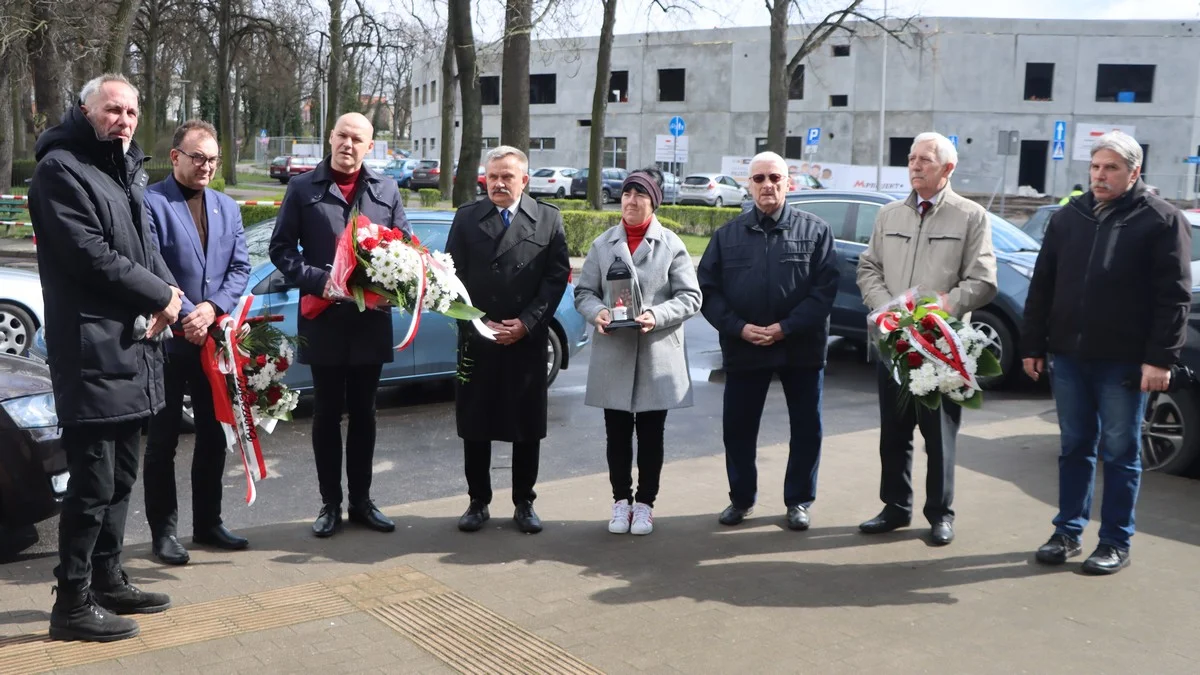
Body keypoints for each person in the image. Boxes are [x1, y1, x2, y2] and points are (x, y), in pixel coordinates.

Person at [29, 73, 180, 642]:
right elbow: (90, 257)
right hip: (90, 349)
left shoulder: (125, 169)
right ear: (84, 109)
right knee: (91, 484)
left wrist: (176, 299)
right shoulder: (59, 170)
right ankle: (71, 603)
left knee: (121, 477)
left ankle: (108, 578)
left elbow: (145, 250)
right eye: (112, 110)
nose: (123, 120)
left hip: (134, 347)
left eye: (132, 112)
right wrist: (160, 295)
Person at [1022, 131, 1191, 574]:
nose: (1100, 175)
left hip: (1123, 361)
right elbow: (1043, 285)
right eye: (1096, 167)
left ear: (1134, 172)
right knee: (1075, 446)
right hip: (1069, 357)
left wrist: (1160, 359)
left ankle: (1115, 540)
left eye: (1111, 168)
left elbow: (1173, 297)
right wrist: (1033, 344)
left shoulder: (1160, 219)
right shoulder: (1069, 217)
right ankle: (1067, 532)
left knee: (1119, 451)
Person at [269, 113, 410, 538]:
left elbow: (404, 244)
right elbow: (280, 249)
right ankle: (330, 504)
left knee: (365, 414)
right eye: (342, 136)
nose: (348, 145)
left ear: (371, 147)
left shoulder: (386, 189)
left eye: (358, 139)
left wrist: (391, 275)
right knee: (327, 414)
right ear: (330, 138)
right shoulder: (301, 187)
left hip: (371, 319)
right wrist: (320, 281)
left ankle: (362, 502)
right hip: (323, 316)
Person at [856, 131, 997, 546]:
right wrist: (887, 308)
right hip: (894, 344)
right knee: (893, 433)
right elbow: (868, 268)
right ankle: (895, 507)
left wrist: (943, 307)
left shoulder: (970, 216)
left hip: (941, 347)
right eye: (912, 158)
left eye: (925, 160)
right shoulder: (889, 215)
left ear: (947, 169)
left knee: (939, 437)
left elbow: (984, 280)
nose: (915, 166)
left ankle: (940, 514)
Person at [697, 151, 840, 530]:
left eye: (774, 177)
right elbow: (708, 292)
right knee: (738, 429)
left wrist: (785, 327)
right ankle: (741, 499)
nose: (767, 185)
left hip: (801, 347)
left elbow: (824, 292)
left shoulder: (815, 231)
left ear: (788, 182)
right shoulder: (727, 236)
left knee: (807, 428)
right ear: (748, 185)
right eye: (758, 178)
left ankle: (799, 501)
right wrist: (739, 328)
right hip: (745, 346)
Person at [445, 146, 570, 535]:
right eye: (493, 176)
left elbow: (555, 278)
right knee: (475, 423)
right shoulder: (467, 218)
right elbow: (450, 276)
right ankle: (477, 501)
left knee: (525, 425)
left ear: (525, 180)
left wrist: (528, 323)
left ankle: (524, 502)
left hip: (524, 340)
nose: (499, 183)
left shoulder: (548, 219)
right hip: (479, 338)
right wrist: (476, 323)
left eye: (507, 177)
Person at [143, 120, 251, 565]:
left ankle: (208, 522)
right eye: (198, 158)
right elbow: (151, 264)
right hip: (169, 343)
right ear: (176, 157)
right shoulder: (150, 202)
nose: (207, 166)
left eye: (213, 159)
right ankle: (163, 534)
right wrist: (190, 315)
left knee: (212, 435)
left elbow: (240, 269)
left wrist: (212, 308)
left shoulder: (228, 207)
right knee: (163, 442)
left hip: (213, 342)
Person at [574, 168, 702, 535]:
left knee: (650, 433)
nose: (631, 201)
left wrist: (656, 315)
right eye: (627, 194)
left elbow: (691, 298)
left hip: (656, 353)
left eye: (639, 195)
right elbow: (584, 292)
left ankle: (645, 504)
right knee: (615, 432)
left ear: (653, 202)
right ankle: (620, 501)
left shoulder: (672, 244)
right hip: (614, 351)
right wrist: (596, 311)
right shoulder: (602, 244)